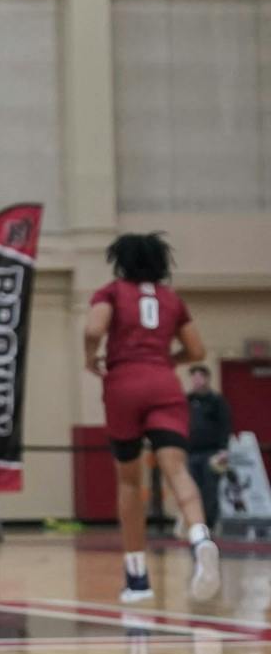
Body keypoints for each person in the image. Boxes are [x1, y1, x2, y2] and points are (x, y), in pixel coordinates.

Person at [85, 233, 220, 602]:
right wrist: (166, 362)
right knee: (178, 470)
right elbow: (196, 350)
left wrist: (89, 357)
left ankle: (138, 579)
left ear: (121, 261)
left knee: (130, 482)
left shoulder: (111, 293)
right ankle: (200, 539)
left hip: (124, 385)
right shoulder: (171, 299)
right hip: (164, 384)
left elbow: (93, 329)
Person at [185, 365, 233, 529]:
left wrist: (223, 449)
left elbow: (225, 425)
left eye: (199, 377)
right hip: (191, 452)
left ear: (207, 379)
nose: (196, 381)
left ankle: (209, 523)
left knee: (209, 489)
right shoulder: (188, 400)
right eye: (194, 377)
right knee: (192, 489)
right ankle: (195, 523)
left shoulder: (216, 401)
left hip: (211, 452)